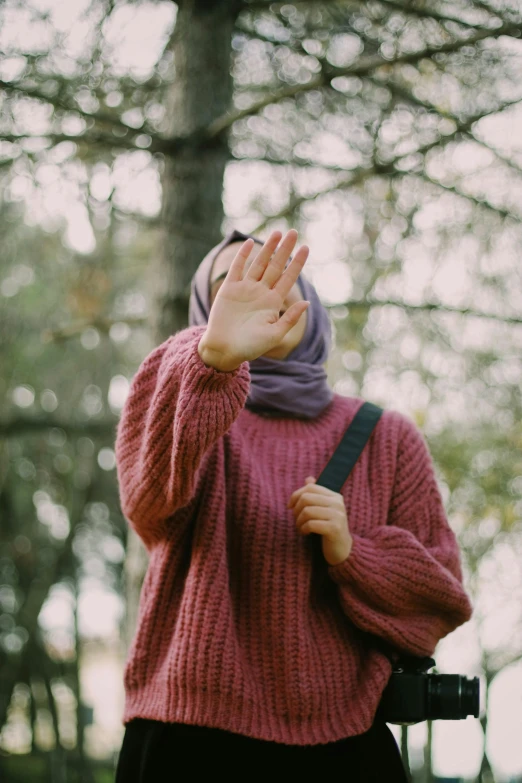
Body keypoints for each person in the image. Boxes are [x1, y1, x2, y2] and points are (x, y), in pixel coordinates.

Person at [114, 228, 473, 780]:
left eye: (275, 271)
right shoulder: (189, 408)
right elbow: (146, 501)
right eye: (232, 280)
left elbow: (441, 597)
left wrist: (355, 553)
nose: (260, 288)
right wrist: (210, 359)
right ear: (208, 309)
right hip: (189, 733)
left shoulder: (388, 436)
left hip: (344, 740)